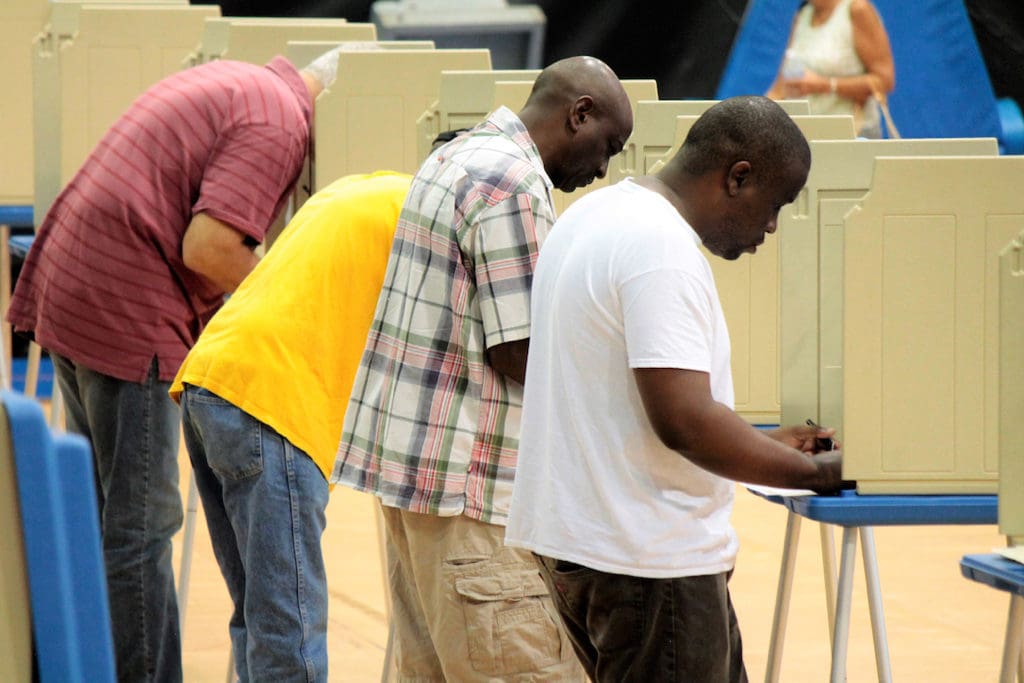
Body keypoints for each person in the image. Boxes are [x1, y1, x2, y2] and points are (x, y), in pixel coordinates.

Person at [5, 47, 346, 682]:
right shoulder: (280, 122)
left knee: (97, 512)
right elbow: (211, 245)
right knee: (141, 528)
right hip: (126, 306)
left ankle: (83, 668)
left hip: (76, 287)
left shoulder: (238, 82)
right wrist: (286, 298)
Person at [503, 95, 850, 683]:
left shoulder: (595, 214)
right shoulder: (659, 250)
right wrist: (819, 474)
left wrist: (767, 443)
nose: (771, 226)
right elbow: (684, 422)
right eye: (775, 205)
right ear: (738, 177)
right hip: (649, 563)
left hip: (589, 548)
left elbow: (622, 400)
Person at [331, 56, 634, 681]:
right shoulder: (515, 186)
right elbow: (520, 350)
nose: (604, 169)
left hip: (419, 481)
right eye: (608, 147)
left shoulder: (457, 155)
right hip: (473, 493)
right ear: (579, 115)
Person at [169, 129, 469, 683]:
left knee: (260, 619)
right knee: (291, 633)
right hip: (270, 407)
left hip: (210, 382)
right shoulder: (432, 226)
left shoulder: (362, 190)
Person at [766, 0, 895, 138]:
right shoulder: (803, 13)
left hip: (851, 137)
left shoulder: (857, 10)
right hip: (804, 138)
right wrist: (752, 117)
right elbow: (780, 88)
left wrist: (824, 85)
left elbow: (884, 81)